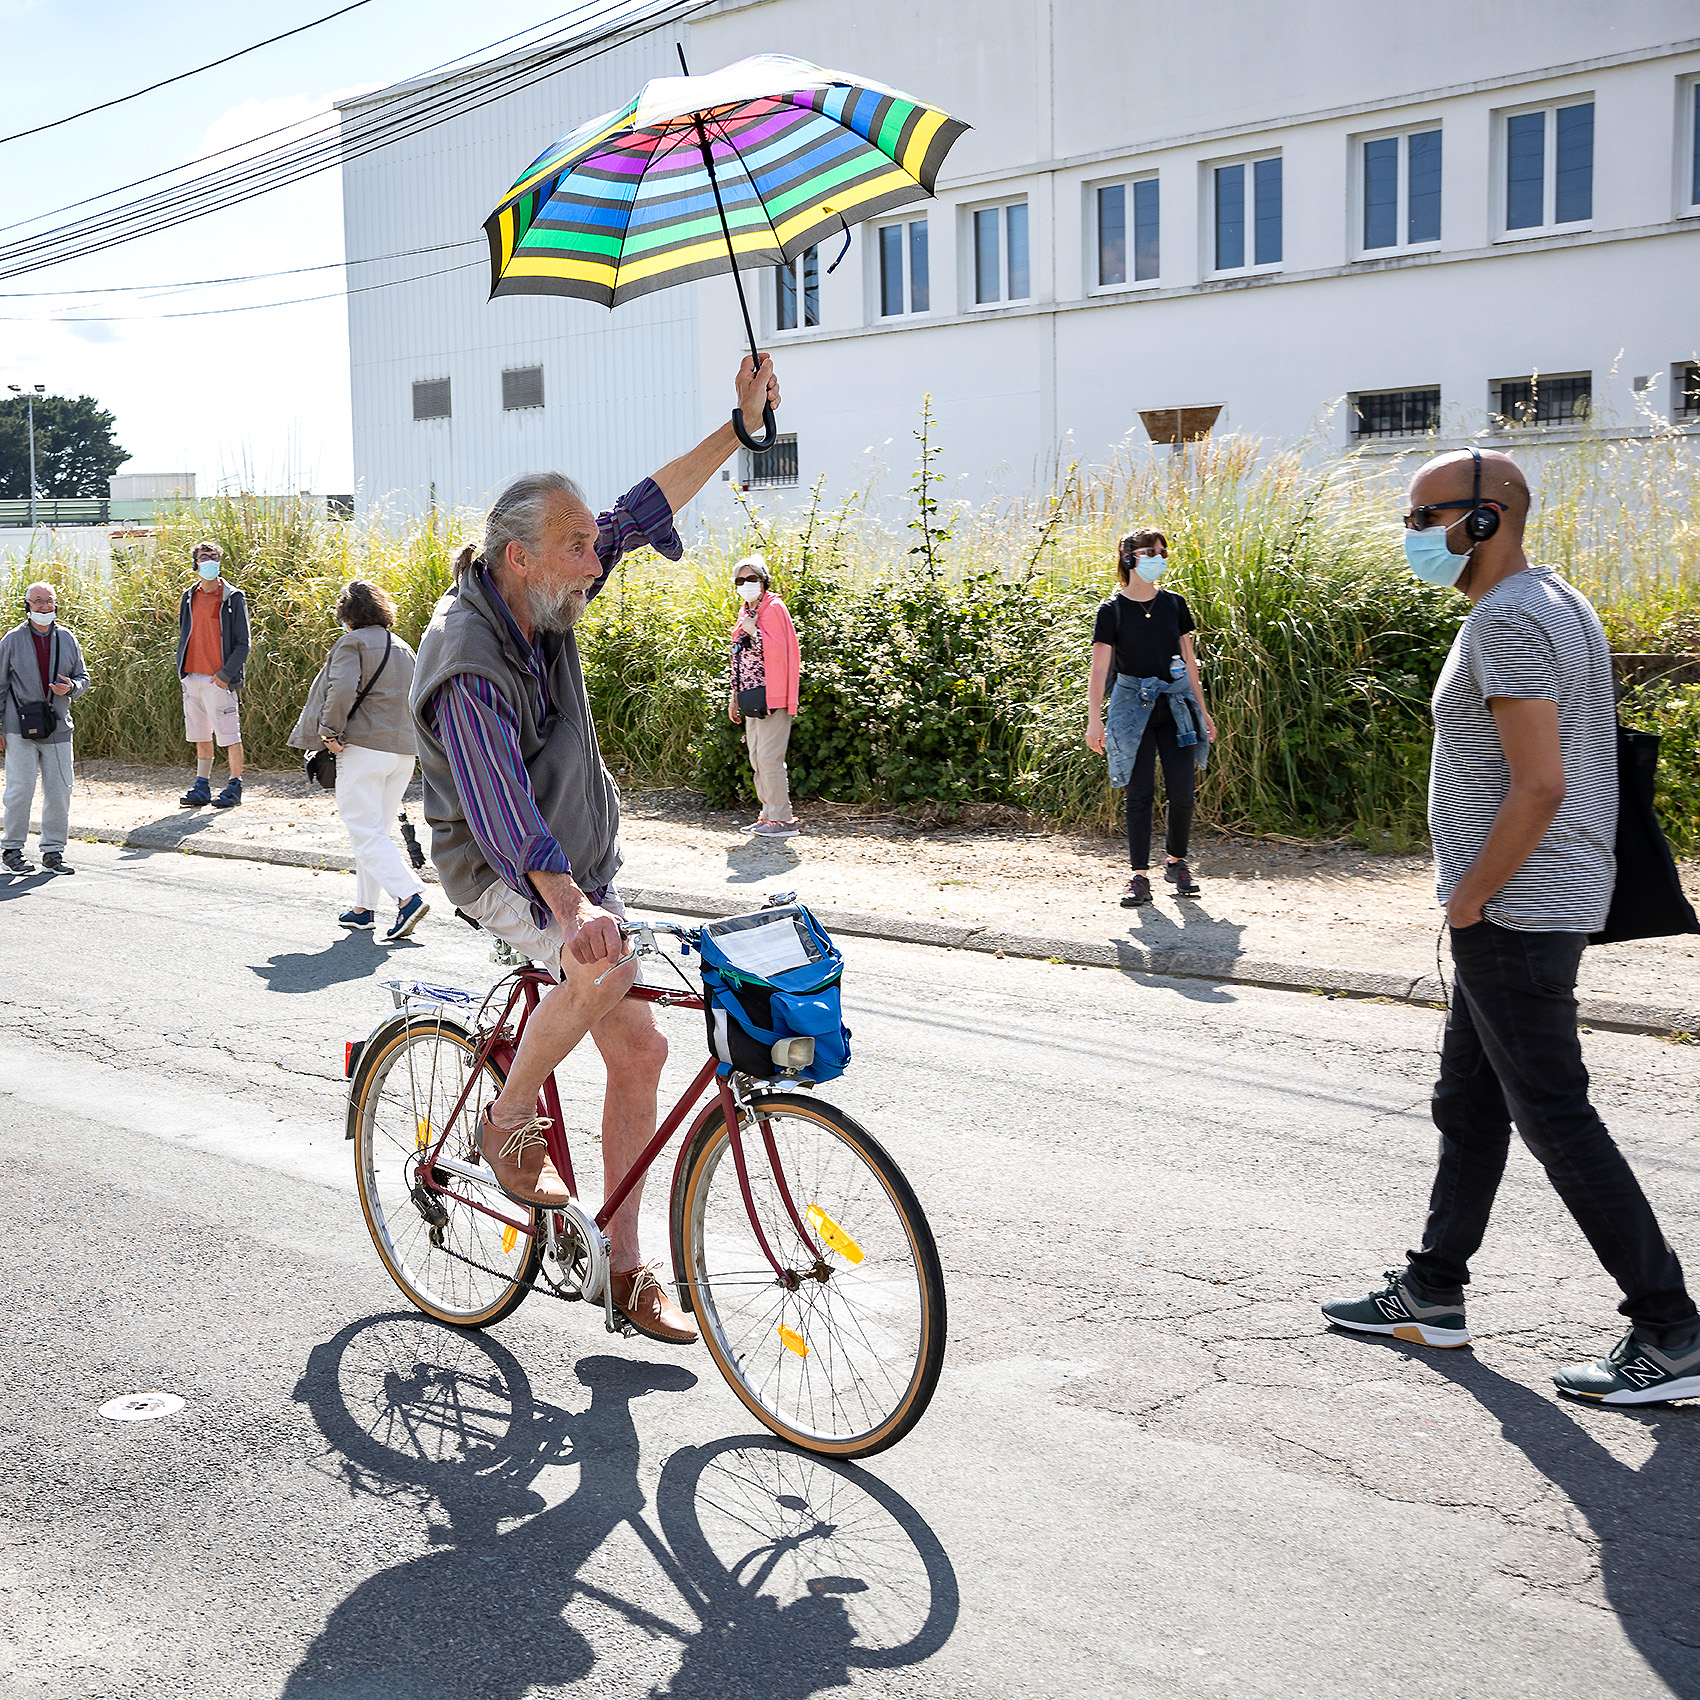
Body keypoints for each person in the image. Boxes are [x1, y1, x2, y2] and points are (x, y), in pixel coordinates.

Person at [411, 353, 782, 1348]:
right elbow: (497, 810)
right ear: (518, 556)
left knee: (646, 1045)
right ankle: (507, 1117)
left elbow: (638, 505)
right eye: (576, 549)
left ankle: (624, 1273)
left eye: (589, 547)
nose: (595, 561)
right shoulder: (465, 657)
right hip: (502, 871)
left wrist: (737, 427)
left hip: (578, 861)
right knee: (598, 964)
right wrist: (570, 909)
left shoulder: (545, 587)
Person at [1324, 445, 1700, 1405]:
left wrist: (1469, 896)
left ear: (1482, 519)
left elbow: (1541, 782)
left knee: (1555, 1116)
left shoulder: (1510, 623)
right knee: (1470, 1098)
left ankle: (1671, 1331)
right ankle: (1432, 1289)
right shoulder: (1556, 600)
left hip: (1516, 909)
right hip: (1534, 900)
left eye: (1422, 519)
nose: (1411, 538)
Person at [1084, 529, 1216, 907]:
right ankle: (1139, 876)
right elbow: (1099, 669)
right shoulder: (1111, 611)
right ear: (1129, 558)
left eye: (1163, 552)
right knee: (1139, 795)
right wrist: (1096, 721)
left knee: (1182, 792)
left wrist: (1204, 712)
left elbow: (1190, 662)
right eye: (1150, 552)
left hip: (1176, 708)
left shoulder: (1175, 604)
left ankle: (1177, 862)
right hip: (1130, 708)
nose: (1159, 557)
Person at [291, 580, 427, 942]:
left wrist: (328, 733)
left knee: (364, 831)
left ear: (347, 615)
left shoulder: (351, 642)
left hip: (363, 749)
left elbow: (342, 689)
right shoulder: (403, 647)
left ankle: (408, 896)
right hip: (403, 752)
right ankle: (363, 910)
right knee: (376, 832)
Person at [1, 580, 90, 876]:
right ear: (27, 605)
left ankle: (53, 852)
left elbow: (83, 677)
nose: (43, 606)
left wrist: (72, 688)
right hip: (18, 727)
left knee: (59, 791)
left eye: (48, 601)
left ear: (55, 604)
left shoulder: (67, 638)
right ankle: (12, 849)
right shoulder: (11, 640)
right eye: (37, 601)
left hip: (58, 727)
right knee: (20, 789)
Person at [726, 552, 801, 837]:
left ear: (764, 581)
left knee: (770, 757)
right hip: (750, 696)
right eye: (740, 580)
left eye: (752, 578)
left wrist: (754, 631)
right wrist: (734, 696)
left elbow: (779, 651)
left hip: (773, 695)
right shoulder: (746, 612)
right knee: (757, 758)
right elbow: (738, 657)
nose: (746, 584)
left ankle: (783, 819)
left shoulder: (774, 608)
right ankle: (768, 814)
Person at [176, 540, 250, 810]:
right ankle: (202, 785)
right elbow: (184, 634)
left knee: (229, 735)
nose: (209, 561)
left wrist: (226, 675)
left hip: (219, 680)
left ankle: (234, 785)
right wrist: (182, 669)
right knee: (200, 735)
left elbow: (243, 643)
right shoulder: (188, 596)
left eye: (214, 556)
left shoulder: (232, 597)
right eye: (204, 556)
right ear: (195, 562)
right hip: (192, 677)